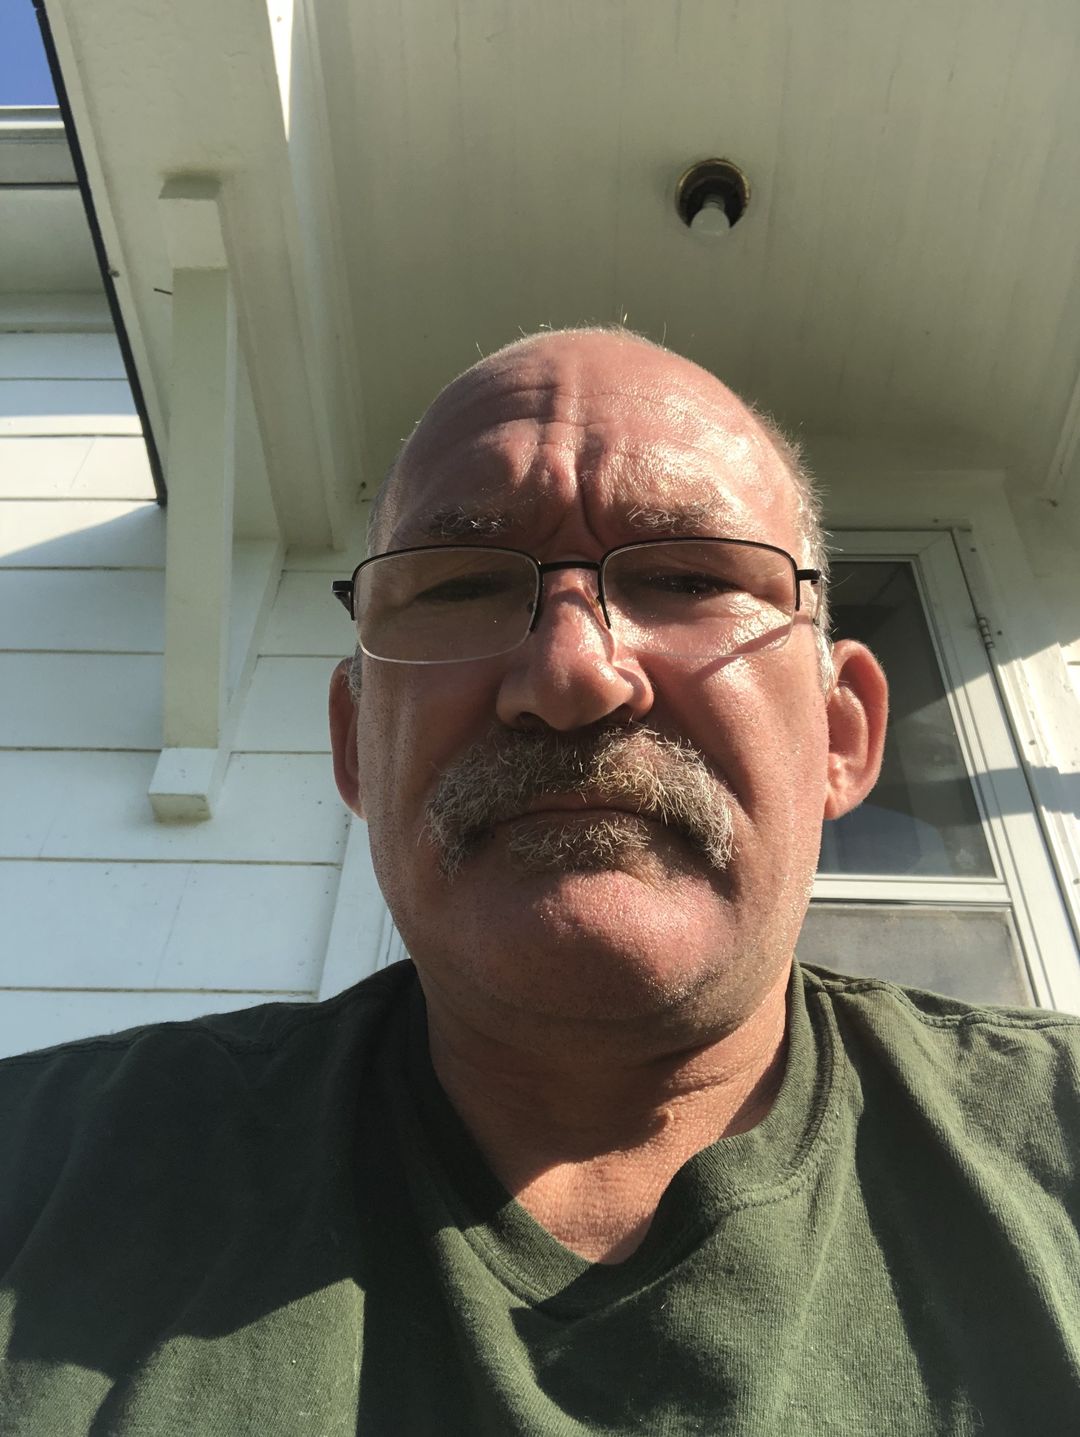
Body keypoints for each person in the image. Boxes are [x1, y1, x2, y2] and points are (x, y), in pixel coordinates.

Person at [1, 329, 1078, 1435]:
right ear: (355, 746)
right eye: (462, 584)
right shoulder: (32, 1175)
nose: (570, 676)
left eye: (688, 576)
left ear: (842, 735)